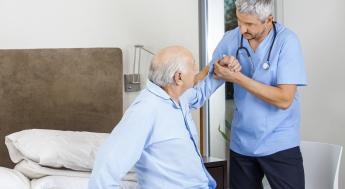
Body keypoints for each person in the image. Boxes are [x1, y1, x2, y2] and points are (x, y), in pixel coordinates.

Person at [88, 46, 241, 189]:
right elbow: (104, 171)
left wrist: (221, 70)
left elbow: (200, 94)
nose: (197, 71)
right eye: (193, 66)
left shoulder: (179, 96)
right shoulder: (145, 110)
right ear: (178, 77)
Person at [210, 0, 308, 188]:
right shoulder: (232, 39)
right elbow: (210, 74)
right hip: (242, 143)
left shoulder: (287, 42)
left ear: (268, 20)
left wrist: (237, 78)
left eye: (249, 24)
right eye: (239, 21)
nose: (241, 29)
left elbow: (284, 99)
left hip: (279, 143)